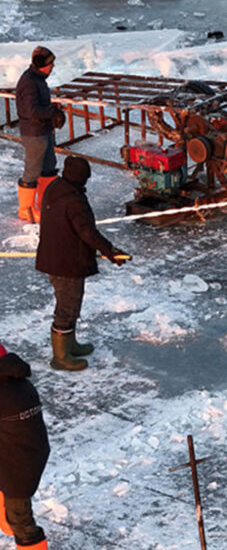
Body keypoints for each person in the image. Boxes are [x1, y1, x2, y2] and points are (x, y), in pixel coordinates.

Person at [35, 156, 127, 372]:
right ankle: (61, 356)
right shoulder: (74, 200)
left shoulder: (55, 187)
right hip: (67, 262)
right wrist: (110, 251)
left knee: (70, 304)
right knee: (66, 308)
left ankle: (70, 344)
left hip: (54, 256)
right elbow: (87, 232)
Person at [0, 343, 51, 550]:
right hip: (27, 453)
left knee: (22, 523)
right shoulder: (15, 381)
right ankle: (5, 517)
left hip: (17, 465)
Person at [15, 46, 65, 223]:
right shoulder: (29, 82)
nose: (53, 67)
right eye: (51, 64)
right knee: (33, 171)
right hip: (34, 134)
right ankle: (26, 209)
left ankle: (44, 204)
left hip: (43, 131)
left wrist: (53, 112)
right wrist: (51, 112)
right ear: (42, 65)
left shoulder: (37, 79)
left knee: (49, 167)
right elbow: (30, 110)